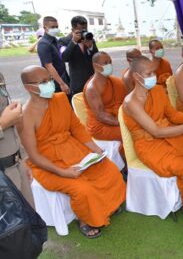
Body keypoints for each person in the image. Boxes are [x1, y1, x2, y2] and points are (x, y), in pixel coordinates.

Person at [19, 65, 126, 238]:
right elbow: (34, 155)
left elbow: (76, 128)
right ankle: (85, 220)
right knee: (82, 189)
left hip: (73, 149)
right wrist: (63, 172)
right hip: (48, 163)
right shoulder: (25, 116)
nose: (49, 85)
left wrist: (96, 149)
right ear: (28, 87)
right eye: (43, 82)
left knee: (109, 170)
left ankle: (107, 206)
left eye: (49, 80)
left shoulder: (60, 99)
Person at [122, 56, 183, 216]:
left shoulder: (157, 90)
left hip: (170, 136)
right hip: (149, 146)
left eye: (154, 72)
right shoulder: (132, 102)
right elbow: (155, 132)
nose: (154, 76)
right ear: (137, 77)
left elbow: (174, 116)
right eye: (149, 73)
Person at [0, 72, 35, 208]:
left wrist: (22, 160)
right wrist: (2, 124)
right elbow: (6, 121)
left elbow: (11, 126)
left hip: (14, 165)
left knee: (28, 220)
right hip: (3, 175)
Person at [83, 52, 127, 141]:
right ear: (96, 66)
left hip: (117, 119)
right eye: (106, 63)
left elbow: (126, 101)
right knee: (129, 133)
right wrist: (123, 123)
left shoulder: (115, 81)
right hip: (101, 126)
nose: (109, 65)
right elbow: (100, 115)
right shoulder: (92, 88)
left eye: (110, 62)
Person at [59, 16, 99, 95]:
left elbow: (97, 57)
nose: (84, 32)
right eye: (81, 30)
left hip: (93, 80)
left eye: (85, 29)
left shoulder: (89, 38)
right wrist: (73, 42)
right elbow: (64, 58)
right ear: (73, 29)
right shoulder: (64, 41)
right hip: (78, 83)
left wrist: (91, 47)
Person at [37, 16, 70, 95]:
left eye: (57, 27)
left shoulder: (56, 40)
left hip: (62, 76)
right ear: (45, 28)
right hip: (52, 82)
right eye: (53, 27)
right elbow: (48, 66)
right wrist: (62, 84)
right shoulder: (43, 44)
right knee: (56, 105)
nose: (55, 29)